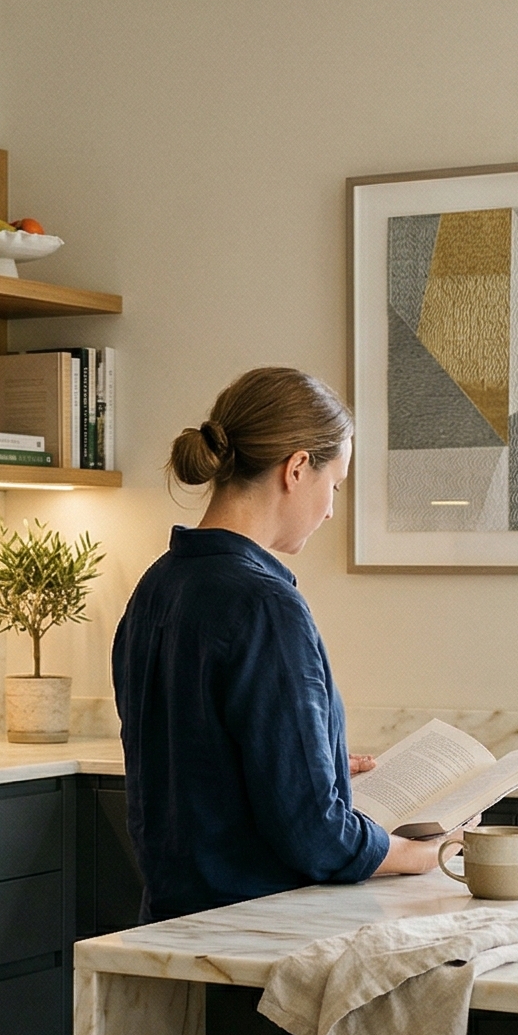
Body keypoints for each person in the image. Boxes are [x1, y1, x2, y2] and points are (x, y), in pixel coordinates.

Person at [112, 366, 458, 922]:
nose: (328, 509)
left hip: (175, 920)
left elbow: (196, 767)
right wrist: (418, 855)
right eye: (335, 486)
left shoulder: (157, 587)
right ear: (297, 468)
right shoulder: (265, 605)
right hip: (261, 927)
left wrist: (310, 767)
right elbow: (315, 836)